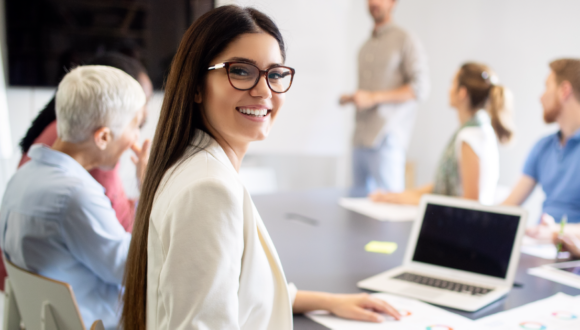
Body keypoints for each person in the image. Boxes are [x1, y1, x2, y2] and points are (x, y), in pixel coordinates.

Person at [121, 6, 401, 330]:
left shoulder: (188, 164)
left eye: (276, 74)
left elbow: (236, 289)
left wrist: (330, 301)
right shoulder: (208, 189)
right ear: (196, 85)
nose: (264, 91)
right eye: (241, 71)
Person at [0, 66, 146, 329]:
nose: (137, 137)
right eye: (135, 126)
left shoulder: (22, 177)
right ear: (103, 137)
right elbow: (134, 269)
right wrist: (149, 187)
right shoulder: (75, 194)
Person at [18, 52, 153, 231]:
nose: (146, 114)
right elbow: (124, 234)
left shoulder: (64, 131)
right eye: (138, 111)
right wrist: (147, 187)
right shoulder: (91, 150)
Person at [370, 63, 514, 205]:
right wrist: (401, 195)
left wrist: (414, 200)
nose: (449, 90)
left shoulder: (471, 137)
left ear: (462, 93)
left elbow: (471, 204)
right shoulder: (477, 130)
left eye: (452, 84)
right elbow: (441, 186)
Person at [340, 0, 429, 195]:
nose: (373, 2)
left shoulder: (406, 40)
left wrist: (373, 97)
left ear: (393, 3)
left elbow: (420, 88)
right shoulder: (364, 48)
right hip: (360, 139)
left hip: (385, 139)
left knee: (389, 211)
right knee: (356, 210)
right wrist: (353, 98)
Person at [503, 59, 580, 230]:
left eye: (547, 86)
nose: (541, 97)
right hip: (541, 245)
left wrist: (557, 232)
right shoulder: (543, 147)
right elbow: (509, 206)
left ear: (564, 91)